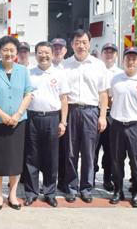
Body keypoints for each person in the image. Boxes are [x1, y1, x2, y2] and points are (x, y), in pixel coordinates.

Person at [0, 36, 33, 210]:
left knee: (15, 159)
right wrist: (3, 115)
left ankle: (12, 195)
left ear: (17, 53)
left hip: (18, 122)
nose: (8, 53)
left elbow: (28, 94)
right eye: (5, 50)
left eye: (12, 50)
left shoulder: (23, 71)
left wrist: (18, 114)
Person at [61, 29, 109, 204]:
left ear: (89, 43)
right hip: (72, 111)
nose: (81, 45)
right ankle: (71, 188)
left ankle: (87, 188)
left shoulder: (98, 65)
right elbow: (63, 95)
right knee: (71, 152)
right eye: (77, 42)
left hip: (91, 112)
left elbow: (103, 94)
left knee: (89, 153)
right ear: (72, 44)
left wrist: (102, 116)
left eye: (84, 42)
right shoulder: (65, 66)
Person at [22, 41, 70, 208]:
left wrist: (63, 122)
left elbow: (64, 100)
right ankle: (31, 193)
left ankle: (50, 193)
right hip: (32, 118)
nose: (44, 55)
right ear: (35, 55)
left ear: (52, 54)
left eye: (47, 52)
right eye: (40, 52)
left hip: (52, 119)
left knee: (51, 158)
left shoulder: (59, 74)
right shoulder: (28, 73)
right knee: (31, 157)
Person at [108, 47, 137, 208]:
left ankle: (136, 191)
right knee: (116, 161)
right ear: (123, 60)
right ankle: (118, 190)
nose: (131, 61)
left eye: (134, 58)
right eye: (128, 58)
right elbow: (109, 99)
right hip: (117, 126)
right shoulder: (115, 79)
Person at [95, 43, 123, 191]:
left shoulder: (120, 74)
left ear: (116, 55)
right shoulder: (96, 69)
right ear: (101, 54)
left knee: (110, 150)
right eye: (106, 52)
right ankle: (90, 178)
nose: (109, 55)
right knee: (93, 149)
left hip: (112, 115)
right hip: (96, 112)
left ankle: (107, 178)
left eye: (112, 52)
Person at [50, 37, 68, 192]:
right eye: (54, 48)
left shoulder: (70, 67)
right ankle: (48, 182)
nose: (57, 50)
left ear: (65, 50)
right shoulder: (44, 67)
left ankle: (63, 181)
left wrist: (64, 120)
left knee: (66, 150)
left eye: (60, 48)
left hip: (70, 111)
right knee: (50, 150)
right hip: (52, 113)